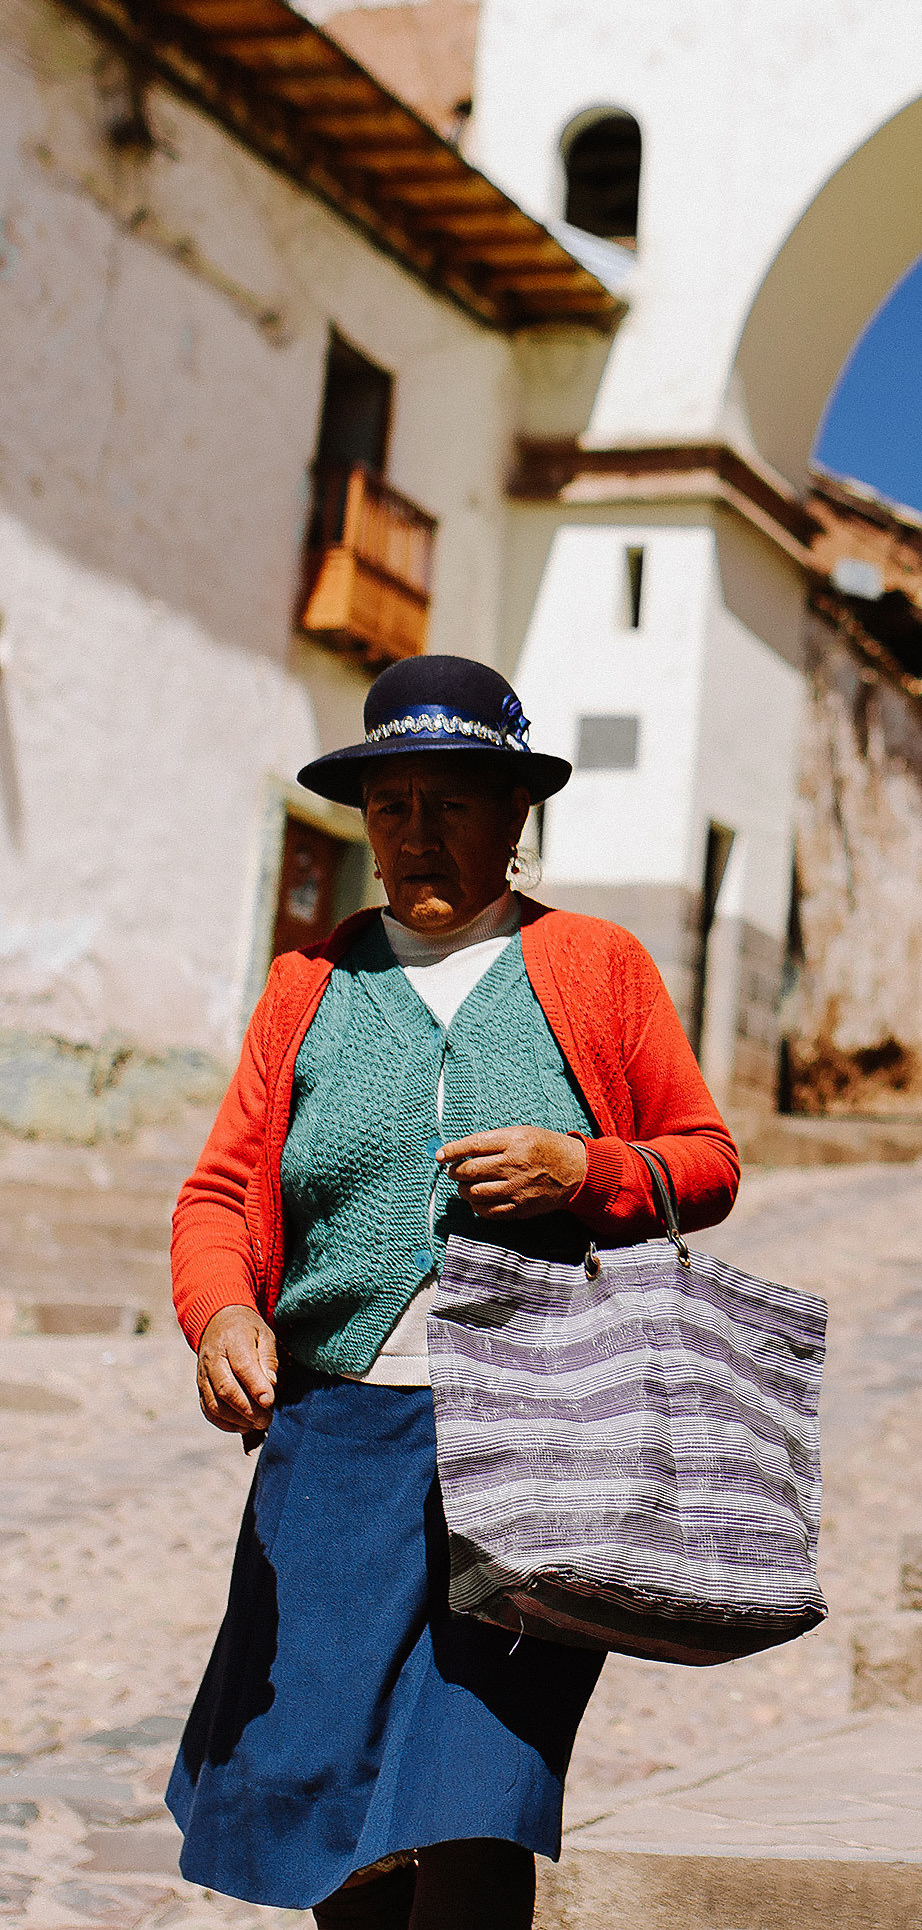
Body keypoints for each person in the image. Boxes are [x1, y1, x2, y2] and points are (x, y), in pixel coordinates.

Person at [166, 655, 740, 1928]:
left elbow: (706, 1162)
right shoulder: (308, 985)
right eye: (392, 806)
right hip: (337, 1439)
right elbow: (217, 1197)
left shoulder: (595, 966)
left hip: (541, 1434)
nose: (417, 833)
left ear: (515, 814)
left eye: (452, 803)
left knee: (474, 1793)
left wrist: (584, 1169)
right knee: (326, 1799)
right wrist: (223, 1314)